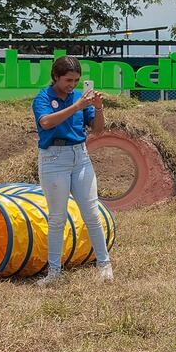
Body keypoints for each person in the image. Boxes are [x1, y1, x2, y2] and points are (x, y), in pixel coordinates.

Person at [33, 55, 113, 285]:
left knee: (91, 212)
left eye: (76, 80)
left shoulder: (79, 97)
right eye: (68, 80)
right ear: (56, 77)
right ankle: (54, 272)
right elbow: (46, 122)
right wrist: (77, 106)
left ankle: (105, 265)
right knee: (57, 218)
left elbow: (97, 130)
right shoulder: (43, 97)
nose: (72, 85)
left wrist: (98, 108)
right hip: (54, 159)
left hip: (81, 156)